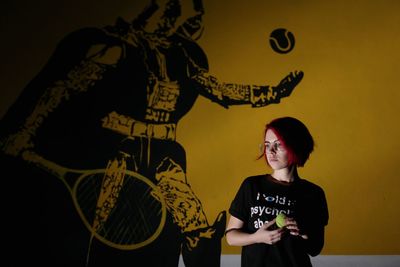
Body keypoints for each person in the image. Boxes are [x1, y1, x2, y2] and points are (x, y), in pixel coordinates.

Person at [0, 0, 304, 266]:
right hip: (121, 148)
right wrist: (26, 131)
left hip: (163, 151)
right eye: (177, 14)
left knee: (195, 226)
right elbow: (63, 89)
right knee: (100, 220)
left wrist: (271, 92)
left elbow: (219, 89)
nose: (186, 23)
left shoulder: (180, 58)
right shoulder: (117, 49)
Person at [225, 117, 329, 267]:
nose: (271, 151)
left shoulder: (313, 193)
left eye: (278, 145)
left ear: (296, 147)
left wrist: (303, 231)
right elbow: (231, 237)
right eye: (267, 145)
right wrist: (257, 237)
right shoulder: (252, 185)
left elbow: (315, 249)